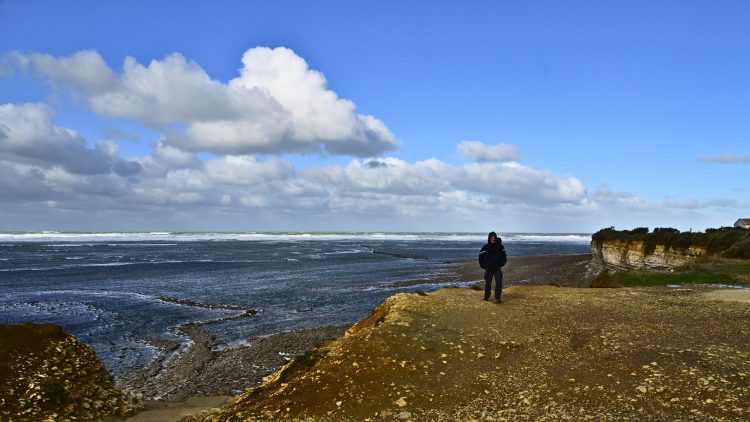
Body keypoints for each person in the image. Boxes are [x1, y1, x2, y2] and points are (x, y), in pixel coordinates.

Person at [478, 231, 507, 302]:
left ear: (496, 238)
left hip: (497, 268)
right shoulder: (485, 247)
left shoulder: (500, 246)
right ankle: (486, 297)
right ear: (489, 238)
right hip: (488, 269)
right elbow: (481, 257)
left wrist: (501, 264)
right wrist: (484, 265)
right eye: (492, 238)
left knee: (499, 283)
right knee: (488, 283)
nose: (493, 239)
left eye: (494, 238)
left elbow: (504, 257)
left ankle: (497, 298)